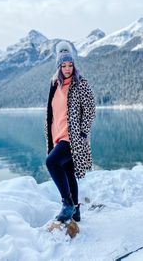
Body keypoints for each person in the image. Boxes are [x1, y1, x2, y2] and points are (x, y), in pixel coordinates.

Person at [45, 40, 96, 223]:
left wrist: (82, 132)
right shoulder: (55, 85)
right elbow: (53, 113)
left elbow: (90, 109)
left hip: (73, 138)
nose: (68, 69)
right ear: (59, 67)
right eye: (64, 65)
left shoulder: (80, 83)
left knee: (51, 162)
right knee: (67, 172)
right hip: (58, 136)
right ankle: (76, 211)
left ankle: (67, 203)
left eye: (70, 65)